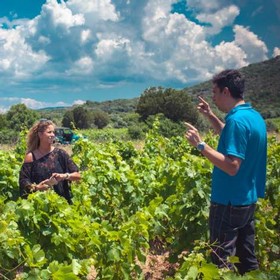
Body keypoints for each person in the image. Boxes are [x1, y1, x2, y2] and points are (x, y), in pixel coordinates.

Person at [185, 69, 267, 275]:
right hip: (246, 199)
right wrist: (210, 115)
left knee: (221, 261)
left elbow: (232, 166)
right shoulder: (253, 117)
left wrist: (201, 145)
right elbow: (233, 138)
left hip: (227, 202)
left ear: (226, 91)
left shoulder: (236, 121)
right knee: (247, 259)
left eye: (214, 92)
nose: (212, 96)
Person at [19, 119, 81, 204]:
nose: (52, 135)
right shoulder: (31, 157)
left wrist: (64, 176)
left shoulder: (61, 154)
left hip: (62, 204)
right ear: (40, 135)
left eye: (53, 132)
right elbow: (23, 181)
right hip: (41, 204)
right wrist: (37, 187)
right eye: (49, 132)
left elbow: (78, 175)